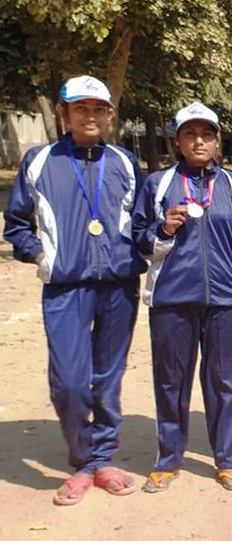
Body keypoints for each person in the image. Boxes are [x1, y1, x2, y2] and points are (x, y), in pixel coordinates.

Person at [3, 76, 146, 505]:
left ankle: (100, 461)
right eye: (80, 108)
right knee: (68, 381)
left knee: (108, 378)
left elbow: (141, 222)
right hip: (65, 287)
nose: (90, 115)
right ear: (62, 112)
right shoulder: (40, 161)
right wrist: (40, 256)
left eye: (98, 108)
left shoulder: (123, 162)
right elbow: (16, 224)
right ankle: (82, 458)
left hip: (119, 286)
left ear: (110, 114)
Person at [132, 102, 232, 493]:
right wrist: (163, 229)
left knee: (225, 383)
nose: (199, 141)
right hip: (172, 300)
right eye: (190, 134)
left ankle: (228, 460)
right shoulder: (157, 184)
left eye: (206, 134)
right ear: (177, 140)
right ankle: (168, 459)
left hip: (225, 302)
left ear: (217, 140)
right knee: (171, 382)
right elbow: (139, 241)